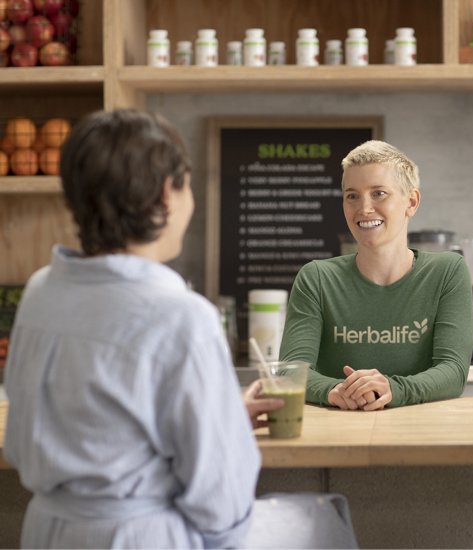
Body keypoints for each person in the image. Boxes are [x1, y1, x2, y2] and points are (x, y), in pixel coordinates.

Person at [3, 109, 282, 548]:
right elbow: (221, 503)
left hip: (45, 532)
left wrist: (221, 417)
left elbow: (34, 441)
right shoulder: (182, 316)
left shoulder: (41, 291)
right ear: (166, 195)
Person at [279, 140, 473, 410]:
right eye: (352, 195)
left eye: (379, 193)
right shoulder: (316, 278)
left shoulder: (447, 272)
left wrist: (392, 389)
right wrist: (334, 391)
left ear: (411, 202)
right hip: (338, 433)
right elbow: (290, 372)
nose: (364, 208)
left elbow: (453, 372)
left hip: (424, 433)